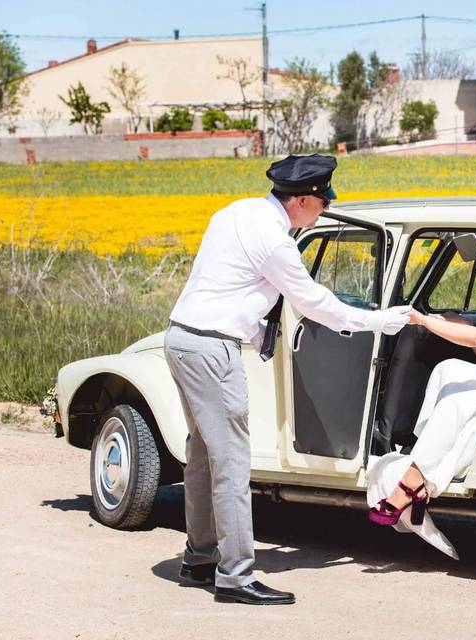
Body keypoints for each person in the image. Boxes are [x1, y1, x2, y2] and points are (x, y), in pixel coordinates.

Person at [164, 154, 411, 605]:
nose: (323, 211)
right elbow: (315, 302)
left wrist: (257, 327)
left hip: (181, 339)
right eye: (320, 204)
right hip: (213, 349)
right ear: (300, 200)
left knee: (201, 455)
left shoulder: (237, 211)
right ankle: (235, 576)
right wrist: (378, 321)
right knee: (232, 465)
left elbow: (226, 282)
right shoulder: (277, 243)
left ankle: (199, 557)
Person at [366, 235, 476, 555]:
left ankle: (410, 486)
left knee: (458, 401)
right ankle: (420, 448)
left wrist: (425, 320)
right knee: (447, 369)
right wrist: (458, 325)